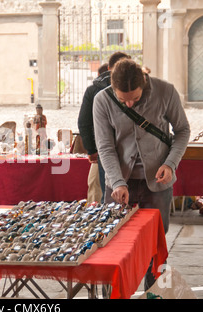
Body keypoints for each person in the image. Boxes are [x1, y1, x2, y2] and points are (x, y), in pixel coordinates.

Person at [93, 59, 190, 289]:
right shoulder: (102, 101)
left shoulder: (165, 92)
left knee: (155, 249)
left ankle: (156, 292)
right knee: (113, 243)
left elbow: (183, 131)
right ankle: (114, 293)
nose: (128, 104)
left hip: (157, 184)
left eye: (135, 99)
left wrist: (170, 164)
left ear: (144, 83)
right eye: (122, 99)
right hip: (119, 184)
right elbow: (105, 147)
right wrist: (117, 182)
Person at [78, 52, 131, 203]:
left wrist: (92, 149)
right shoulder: (134, 87)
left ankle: (109, 220)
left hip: (104, 149)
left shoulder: (93, 89)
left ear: (108, 67)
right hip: (130, 148)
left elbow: (84, 122)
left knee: (109, 189)